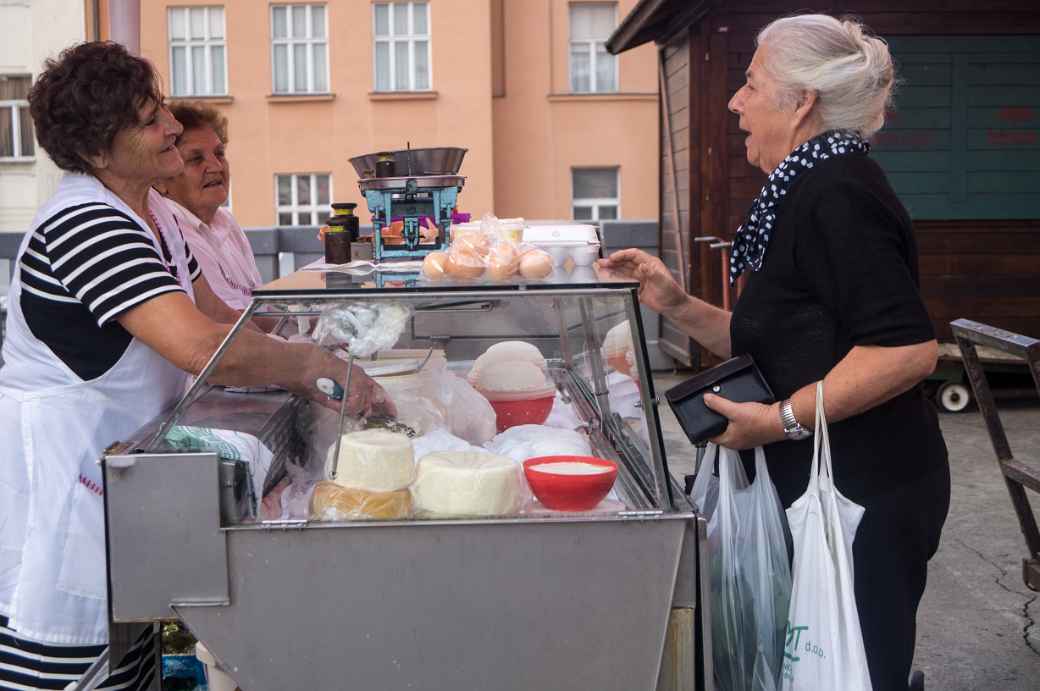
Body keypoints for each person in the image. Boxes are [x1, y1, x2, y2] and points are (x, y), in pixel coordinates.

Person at [0, 42, 391, 689]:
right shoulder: (85, 223)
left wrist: (313, 340)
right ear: (99, 151)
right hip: (61, 497)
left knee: (126, 664)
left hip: (120, 489)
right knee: (68, 668)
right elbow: (201, 346)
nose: (172, 127)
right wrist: (311, 366)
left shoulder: (153, 214)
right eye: (150, 118)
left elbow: (223, 320)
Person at [599, 14, 950, 690]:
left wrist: (778, 419)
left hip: (862, 494)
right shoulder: (800, 189)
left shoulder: (840, 193)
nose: (736, 101)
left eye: (751, 84)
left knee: (853, 669)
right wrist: (673, 300)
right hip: (818, 487)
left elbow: (906, 349)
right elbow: (776, 343)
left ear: (802, 103)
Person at [160, 103, 261, 310]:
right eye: (196, 159)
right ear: (161, 180)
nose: (216, 166)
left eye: (220, 153)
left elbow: (260, 305)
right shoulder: (173, 230)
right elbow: (232, 321)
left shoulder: (225, 220)